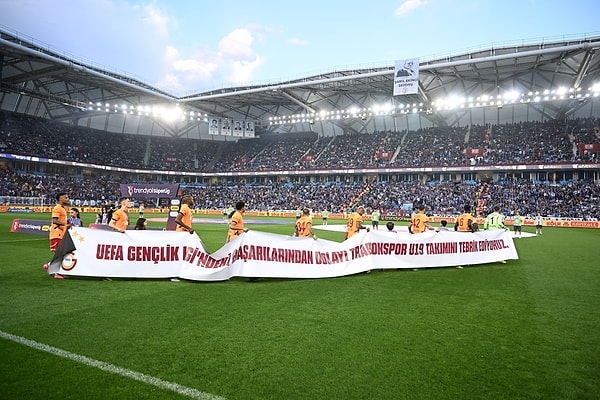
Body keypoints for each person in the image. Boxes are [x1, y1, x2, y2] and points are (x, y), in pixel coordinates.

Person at [43, 192, 72, 279]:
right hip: (57, 233)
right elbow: (55, 221)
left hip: (61, 234)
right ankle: (56, 273)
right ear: (60, 199)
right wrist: (65, 224)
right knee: (60, 253)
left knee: (62, 253)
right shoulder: (57, 208)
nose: (67, 199)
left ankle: (49, 266)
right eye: (65, 197)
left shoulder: (63, 208)